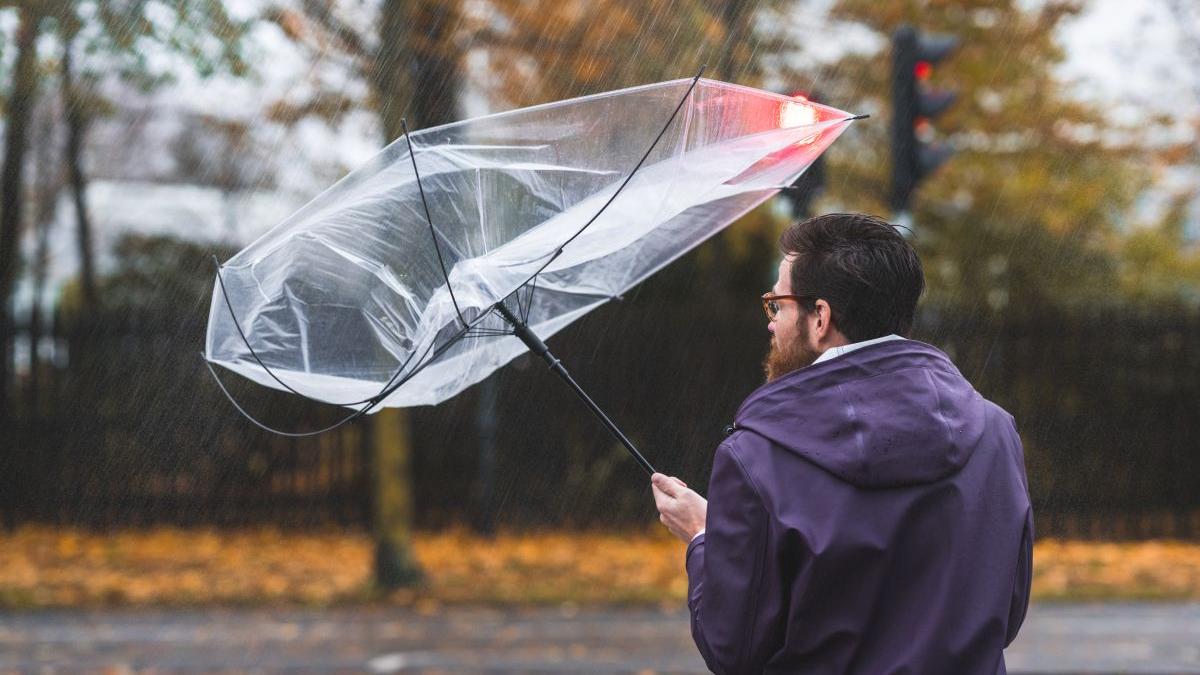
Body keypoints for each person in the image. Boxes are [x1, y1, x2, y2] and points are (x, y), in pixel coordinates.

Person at [651, 213, 1033, 674]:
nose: (771, 322)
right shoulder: (995, 432)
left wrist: (704, 539)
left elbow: (733, 648)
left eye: (779, 304)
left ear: (820, 318)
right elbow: (1004, 615)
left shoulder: (756, 458)